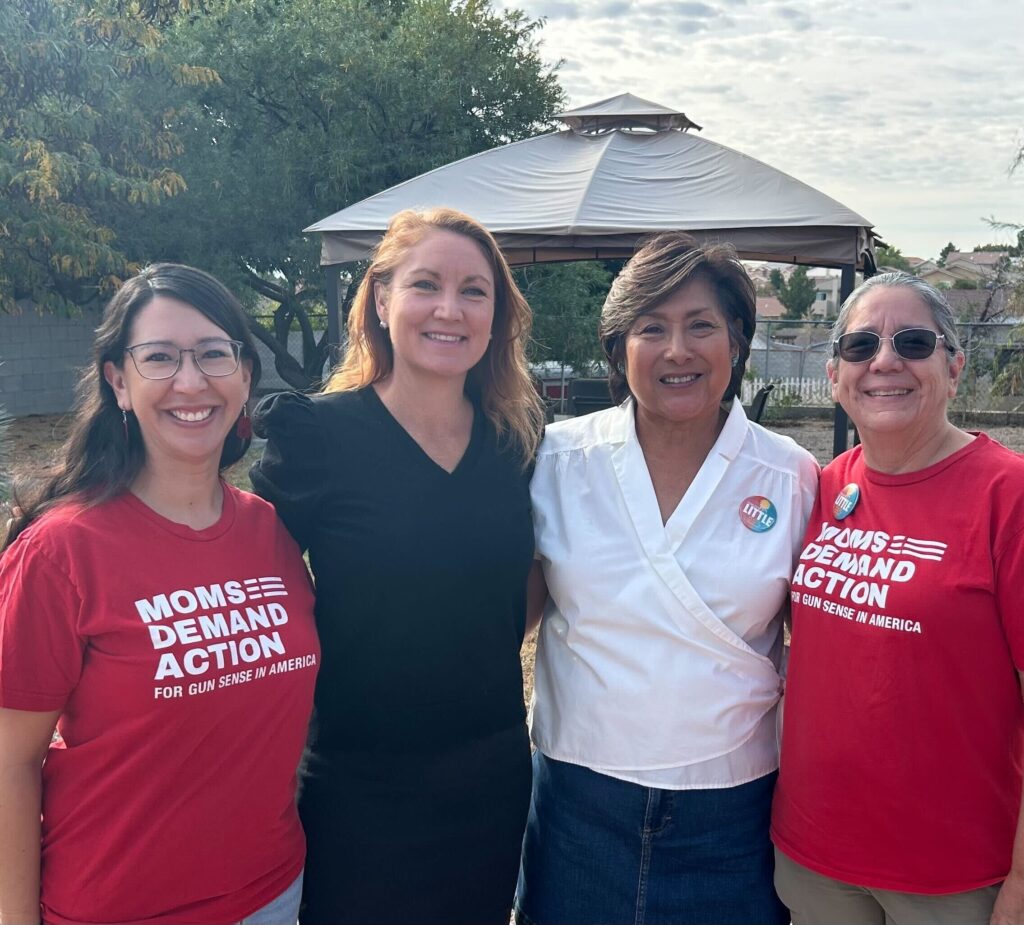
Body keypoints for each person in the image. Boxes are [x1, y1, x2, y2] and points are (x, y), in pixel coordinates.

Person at [250, 207, 546, 925]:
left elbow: (527, 586)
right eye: (426, 285)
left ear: (496, 315)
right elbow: (254, 587)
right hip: (358, 788)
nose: (450, 308)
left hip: (491, 780)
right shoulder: (317, 433)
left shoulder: (519, 442)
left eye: (475, 290)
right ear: (381, 300)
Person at [0, 264, 319, 925]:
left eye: (212, 354)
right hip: (117, 907)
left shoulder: (269, 531)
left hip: (272, 894)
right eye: (160, 358)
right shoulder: (61, 551)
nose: (191, 380)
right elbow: (9, 763)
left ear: (244, 375)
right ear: (119, 380)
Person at [516, 232, 819, 925]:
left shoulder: (791, 475)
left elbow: (823, 643)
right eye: (652, 328)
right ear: (619, 349)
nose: (677, 350)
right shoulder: (556, 459)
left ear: (737, 342)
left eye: (701, 325)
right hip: (577, 805)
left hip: (734, 815)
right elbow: (507, 613)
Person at [772, 271, 1024, 925]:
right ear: (834, 375)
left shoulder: (1008, 496)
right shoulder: (819, 489)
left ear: (955, 366)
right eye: (860, 346)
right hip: (816, 859)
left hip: (954, 876)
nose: (885, 361)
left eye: (913, 341)